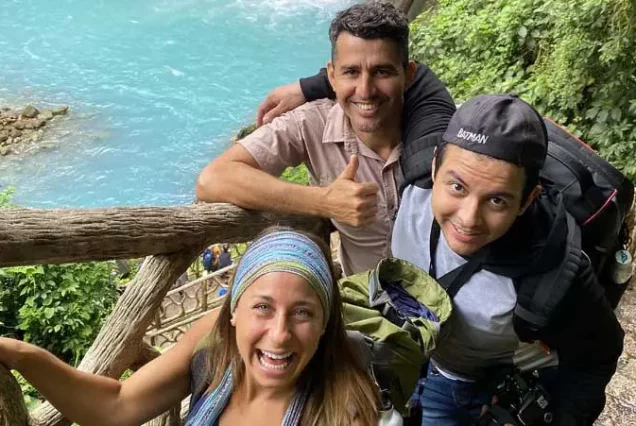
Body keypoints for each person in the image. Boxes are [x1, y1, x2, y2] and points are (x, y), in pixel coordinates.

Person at [390, 94, 624, 425]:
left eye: (497, 200)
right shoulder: (414, 187)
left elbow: (598, 353)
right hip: (410, 355)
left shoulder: (552, 269)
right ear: (433, 167)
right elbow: (408, 76)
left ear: (528, 200)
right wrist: (305, 89)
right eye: (457, 187)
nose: (469, 219)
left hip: (475, 387)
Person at [0, 227, 380, 425]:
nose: (279, 334)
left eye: (302, 313)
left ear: (325, 323)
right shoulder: (211, 344)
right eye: (263, 307)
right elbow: (114, 407)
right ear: (232, 313)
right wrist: (20, 355)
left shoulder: (343, 414)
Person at [196, 2, 422, 276]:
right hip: (369, 307)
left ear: (408, 75)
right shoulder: (311, 123)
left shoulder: (435, 130)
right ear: (332, 75)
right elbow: (214, 179)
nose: (365, 90)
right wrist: (324, 201)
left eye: (382, 72)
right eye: (351, 72)